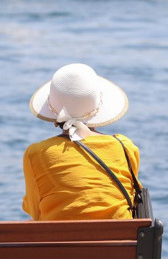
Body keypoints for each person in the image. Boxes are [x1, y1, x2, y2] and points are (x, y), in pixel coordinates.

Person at [22, 63, 140, 221]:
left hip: (58, 244)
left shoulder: (36, 154)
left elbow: (35, 212)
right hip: (123, 243)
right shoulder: (124, 146)